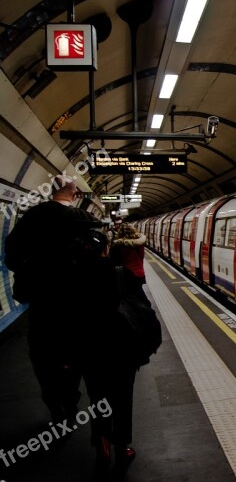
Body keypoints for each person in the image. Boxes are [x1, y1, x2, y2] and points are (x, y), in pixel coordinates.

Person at [4, 175, 98, 424]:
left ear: (51, 192)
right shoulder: (85, 220)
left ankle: (54, 401)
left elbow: (11, 253)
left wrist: (30, 272)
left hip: (42, 303)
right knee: (76, 351)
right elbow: (100, 262)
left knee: (43, 354)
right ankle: (71, 400)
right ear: (75, 194)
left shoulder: (31, 217)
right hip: (79, 305)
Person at [76, 231, 140, 476]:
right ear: (106, 249)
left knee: (97, 400)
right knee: (123, 400)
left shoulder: (71, 277)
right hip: (121, 350)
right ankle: (122, 448)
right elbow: (141, 311)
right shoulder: (120, 273)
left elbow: (64, 320)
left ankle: (102, 446)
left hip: (89, 352)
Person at [111, 223, 147, 301]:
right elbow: (141, 257)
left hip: (125, 274)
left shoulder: (118, 245)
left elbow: (115, 261)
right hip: (139, 273)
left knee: (129, 296)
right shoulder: (139, 243)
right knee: (138, 293)